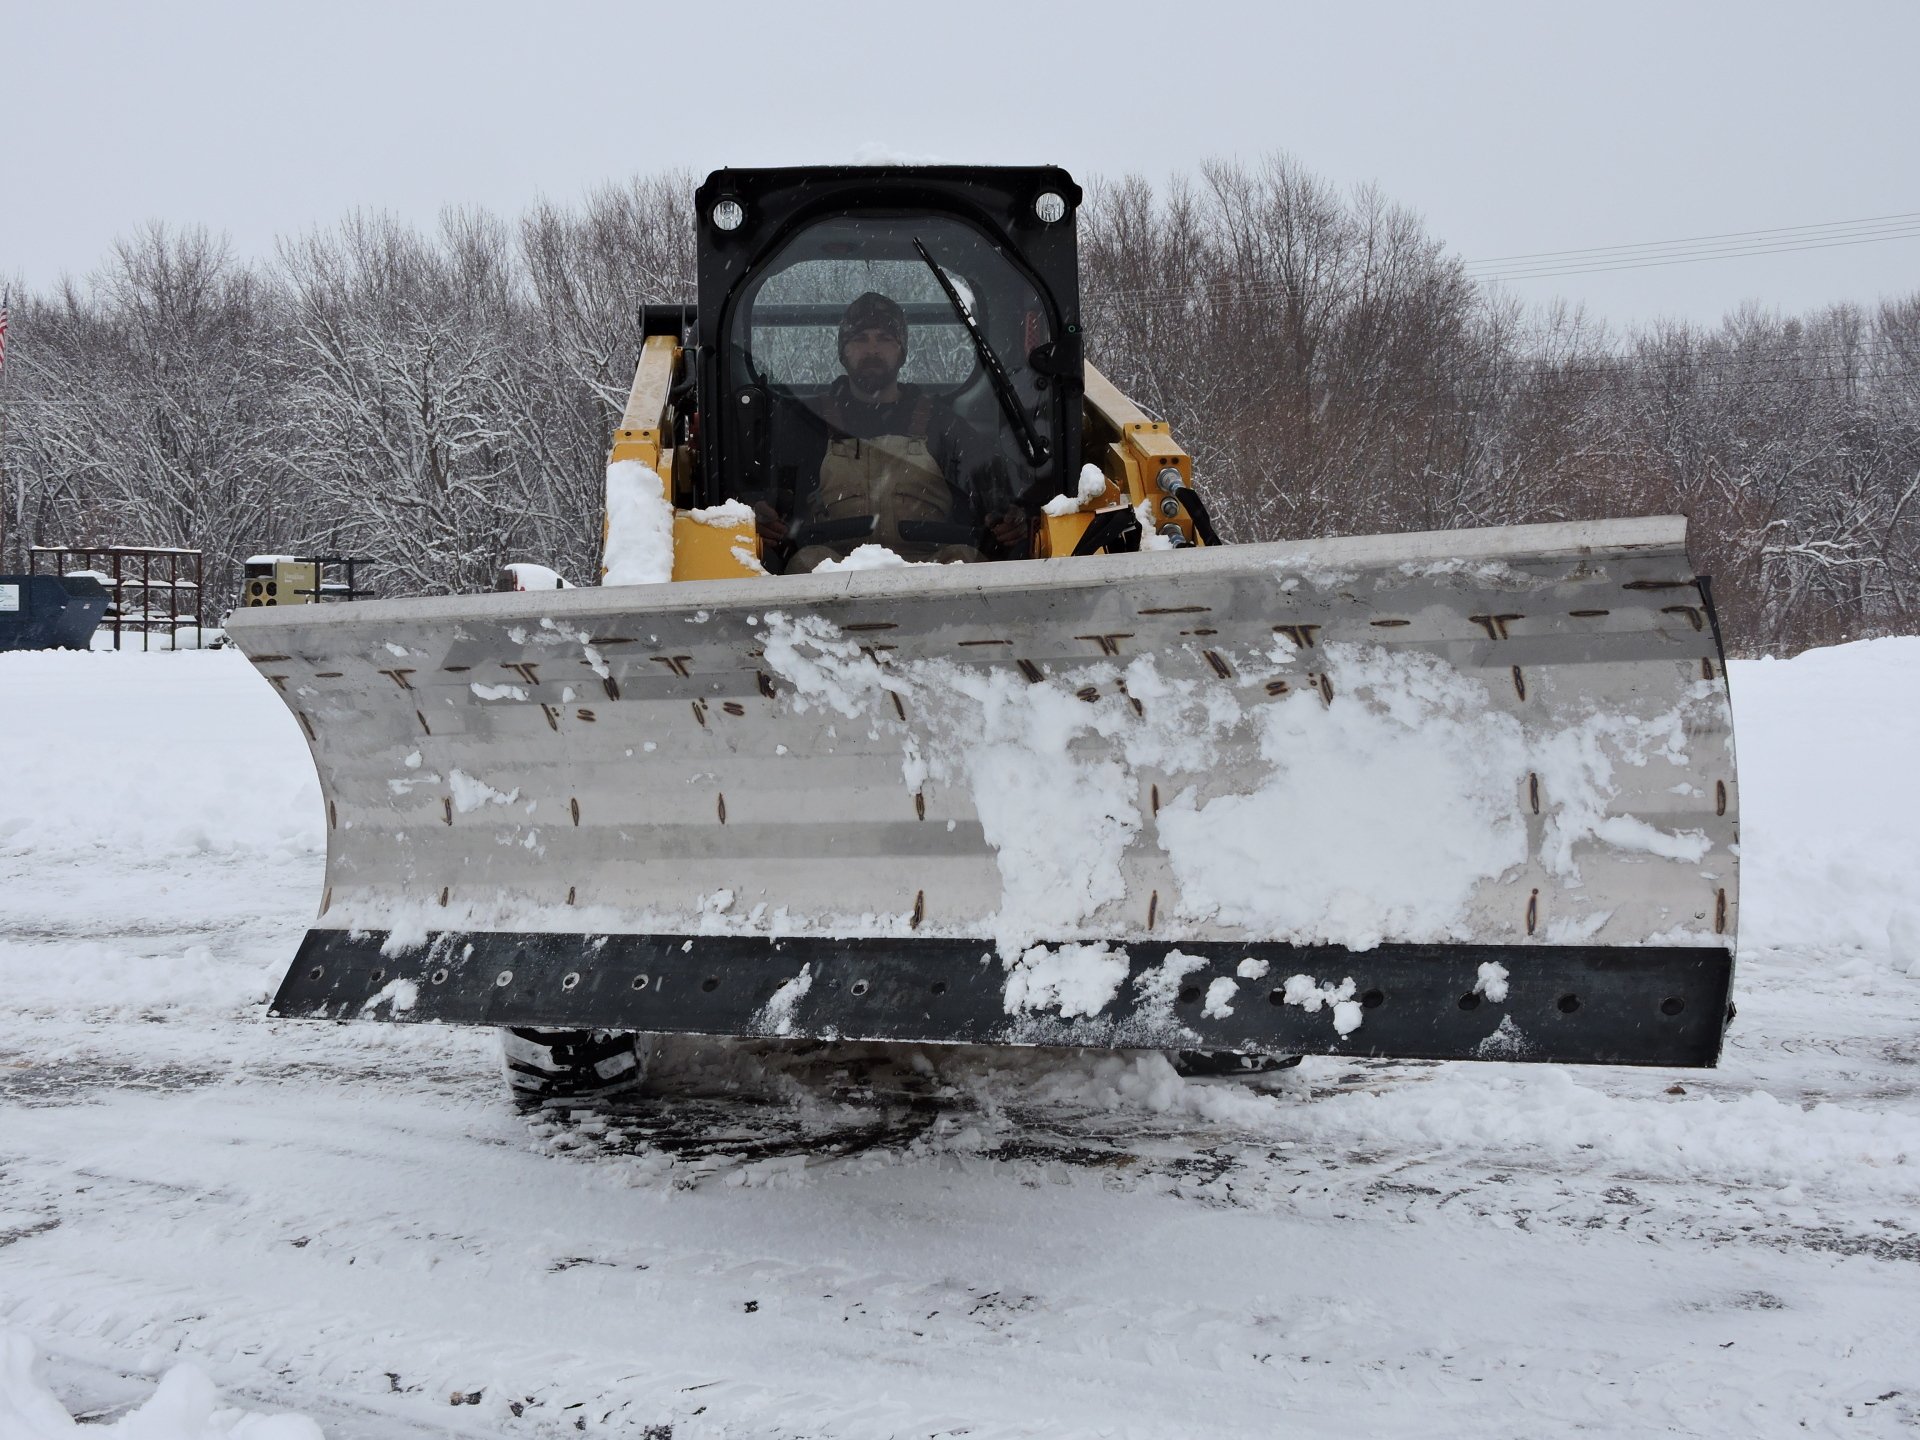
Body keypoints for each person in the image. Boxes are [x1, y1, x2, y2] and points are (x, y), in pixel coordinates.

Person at [755, 291, 1030, 572]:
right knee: (805, 562)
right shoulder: (805, 423)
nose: (872, 350)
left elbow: (996, 485)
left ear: (902, 352)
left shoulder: (941, 422)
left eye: (885, 339)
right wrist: (761, 513)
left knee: (965, 559)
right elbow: (769, 493)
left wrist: (1010, 517)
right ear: (843, 351)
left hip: (930, 570)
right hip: (834, 569)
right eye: (860, 339)